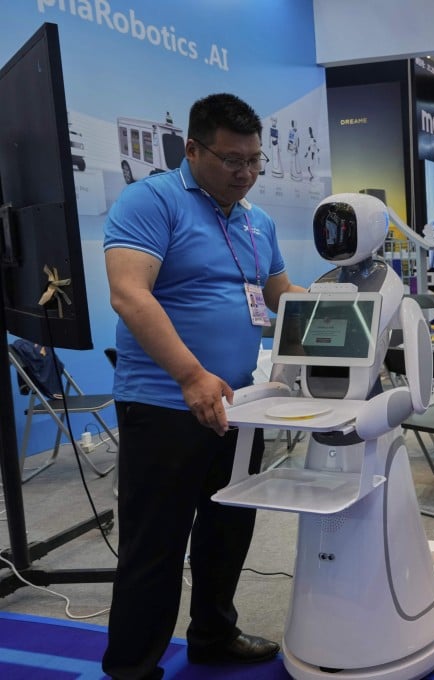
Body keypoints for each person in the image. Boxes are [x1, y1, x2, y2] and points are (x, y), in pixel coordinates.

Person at [102, 93, 305, 679]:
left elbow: (281, 297)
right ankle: (133, 668)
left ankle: (213, 635)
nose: (245, 173)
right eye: (231, 160)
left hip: (238, 406)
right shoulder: (151, 200)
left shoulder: (257, 221)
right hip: (166, 403)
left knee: (227, 529)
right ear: (192, 149)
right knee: (156, 544)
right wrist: (191, 375)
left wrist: (349, 309)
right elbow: (129, 294)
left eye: (254, 160)